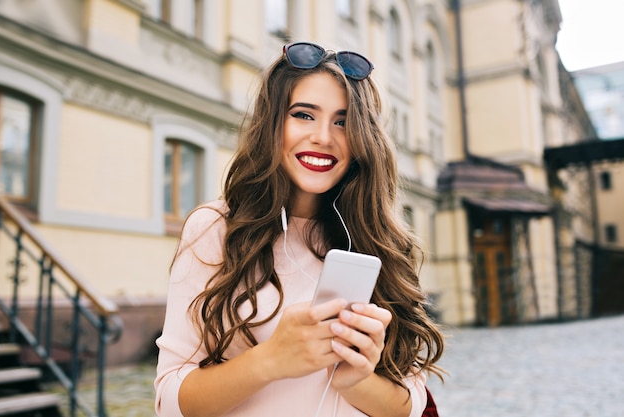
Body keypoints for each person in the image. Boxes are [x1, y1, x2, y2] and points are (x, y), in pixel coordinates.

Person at [154, 41, 444, 417]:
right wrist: (270, 360)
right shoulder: (215, 228)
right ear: (272, 123)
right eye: (304, 115)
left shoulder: (382, 242)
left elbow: (410, 404)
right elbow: (170, 402)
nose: (324, 136)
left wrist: (355, 379)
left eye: (342, 121)